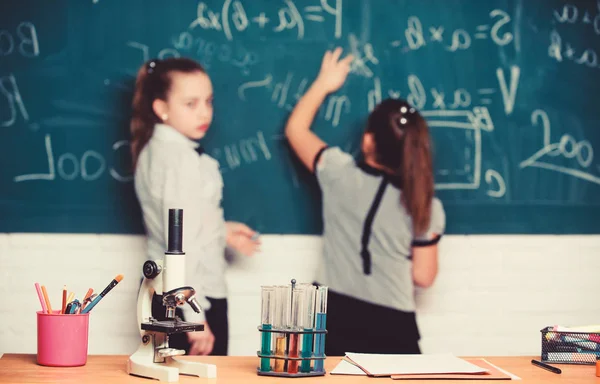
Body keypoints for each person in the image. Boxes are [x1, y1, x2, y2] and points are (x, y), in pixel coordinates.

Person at [285, 48, 446, 355]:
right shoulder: (425, 205)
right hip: (392, 323)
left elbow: (296, 130)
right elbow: (423, 277)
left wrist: (324, 83)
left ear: (369, 141)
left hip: (330, 316)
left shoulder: (336, 171)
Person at [130, 57, 260, 356]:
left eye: (208, 101)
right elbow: (179, 246)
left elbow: (179, 223)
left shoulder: (156, 149)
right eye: (191, 104)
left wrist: (220, 230)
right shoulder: (180, 159)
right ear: (161, 108)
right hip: (188, 300)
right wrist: (194, 318)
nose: (204, 112)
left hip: (167, 294)